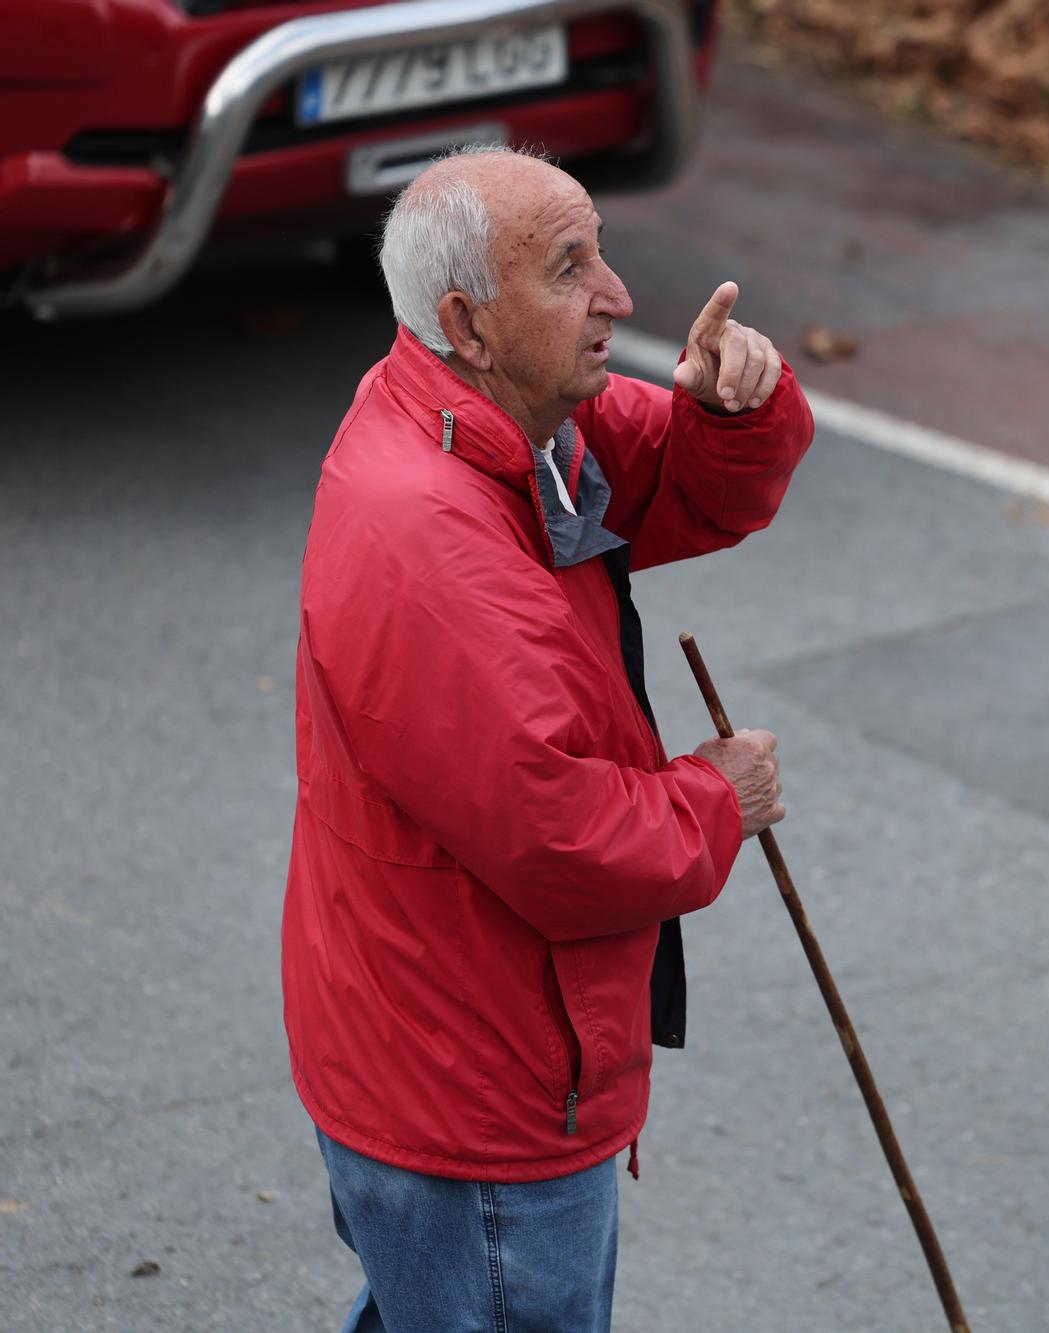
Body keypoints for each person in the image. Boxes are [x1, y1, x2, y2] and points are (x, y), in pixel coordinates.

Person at [282, 145, 813, 1331]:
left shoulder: (498, 419)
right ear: (469, 321)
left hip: (436, 1042)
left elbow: (675, 477)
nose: (619, 297)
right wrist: (718, 794)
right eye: (571, 269)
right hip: (471, 1088)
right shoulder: (430, 540)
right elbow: (567, 838)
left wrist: (730, 411)